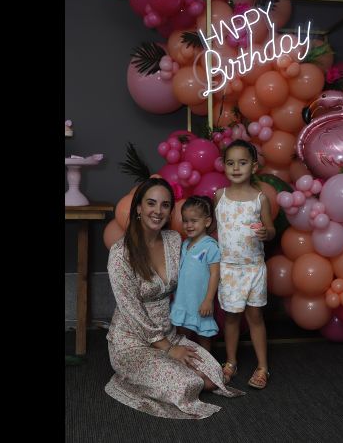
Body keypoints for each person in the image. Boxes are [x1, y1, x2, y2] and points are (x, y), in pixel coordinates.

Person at [104, 177, 243, 419]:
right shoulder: (120, 254)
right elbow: (131, 310)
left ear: (170, 211)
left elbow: (198, 270)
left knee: (213, 376)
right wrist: (168, 349)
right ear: (138, 208)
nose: (158, 211)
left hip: (169, 333)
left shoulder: (173, 240)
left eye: (165, 205)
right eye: (151, 203)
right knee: (189, 383)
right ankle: (129, 376)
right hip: (133, 340)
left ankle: (157, 373)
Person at [214, 140, 276, 390]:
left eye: (242, 163)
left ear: (254, 166)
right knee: (231, 317)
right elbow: (214, 228)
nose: (236, 168)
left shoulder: (260, 199)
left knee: (255, 316)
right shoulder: (220, 196)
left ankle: (262, 367)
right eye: (230, 163)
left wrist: (266, 233)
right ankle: (231, 361)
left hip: (253, 268)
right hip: (229, 268)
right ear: (224, 166)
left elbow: (271, 228)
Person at [170, 195, 220, 352]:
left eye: (194, 221)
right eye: (185, 221)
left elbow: (215, 275)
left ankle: (208, 363)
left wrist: (208, 300)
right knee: (182, 335)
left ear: (207, 221)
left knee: (204, 334)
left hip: (200, 301)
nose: (189, 225)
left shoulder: (210, 246)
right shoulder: (185, 244)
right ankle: (183, 363)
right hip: (183, 300)